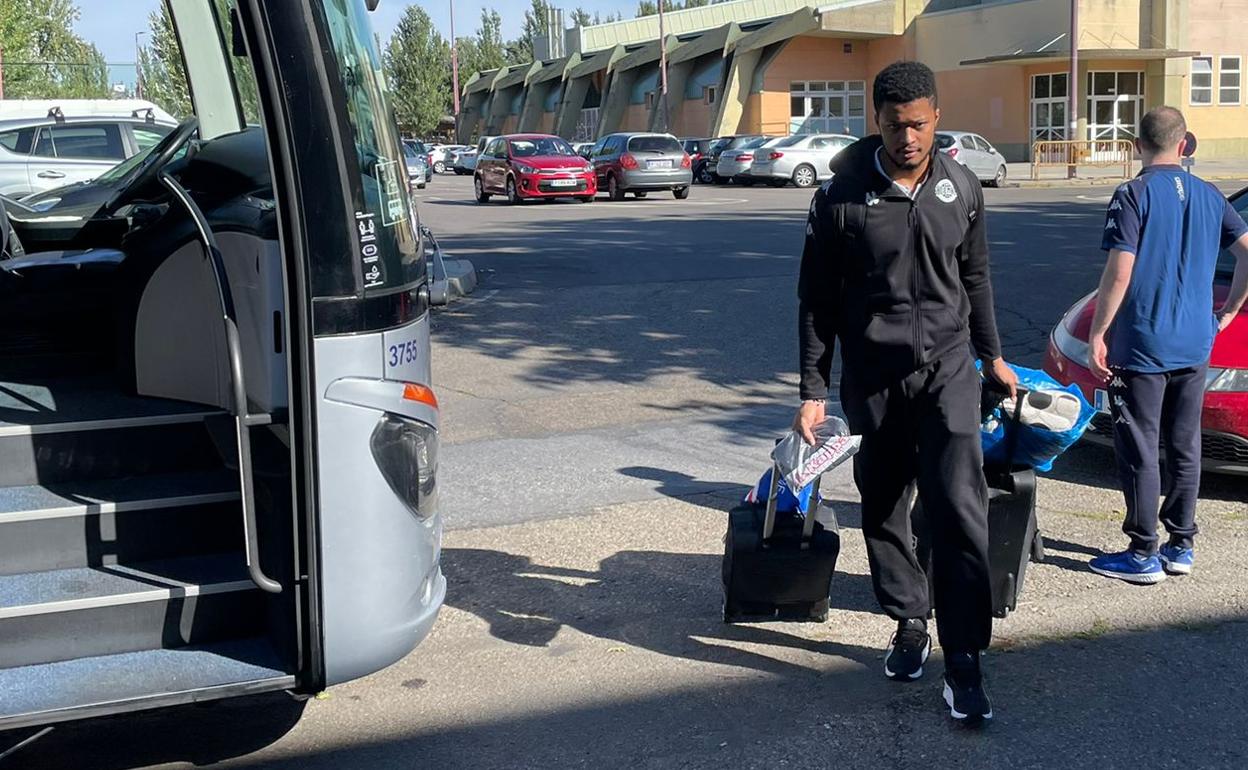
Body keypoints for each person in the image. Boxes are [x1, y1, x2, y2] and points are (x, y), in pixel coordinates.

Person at [793, 61, 1016, 723]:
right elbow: (815, 300)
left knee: (958, 508)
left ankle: (966, 661)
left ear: (936, 117)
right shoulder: (839, 197)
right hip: (873, 378)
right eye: (895, 126)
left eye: (919, 123)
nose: (908, 137)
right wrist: (813, 386)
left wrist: (993, 355)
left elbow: (975, 280)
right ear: (877, 122)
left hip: (949, 372)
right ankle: (909, 622)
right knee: (885, 507)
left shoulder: (963, 187)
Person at [1087, 106, 1248, 583]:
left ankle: (1141, 552)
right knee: (1184, 443)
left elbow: (1121, 268)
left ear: (1137, 146)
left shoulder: (1132, 194)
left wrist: (1098, 331)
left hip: (1144, 342)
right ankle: (1181, 543)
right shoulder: (1210, 195)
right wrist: (1230, 311)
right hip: (1196, 342)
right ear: (1186, 144)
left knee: (1139, 444)